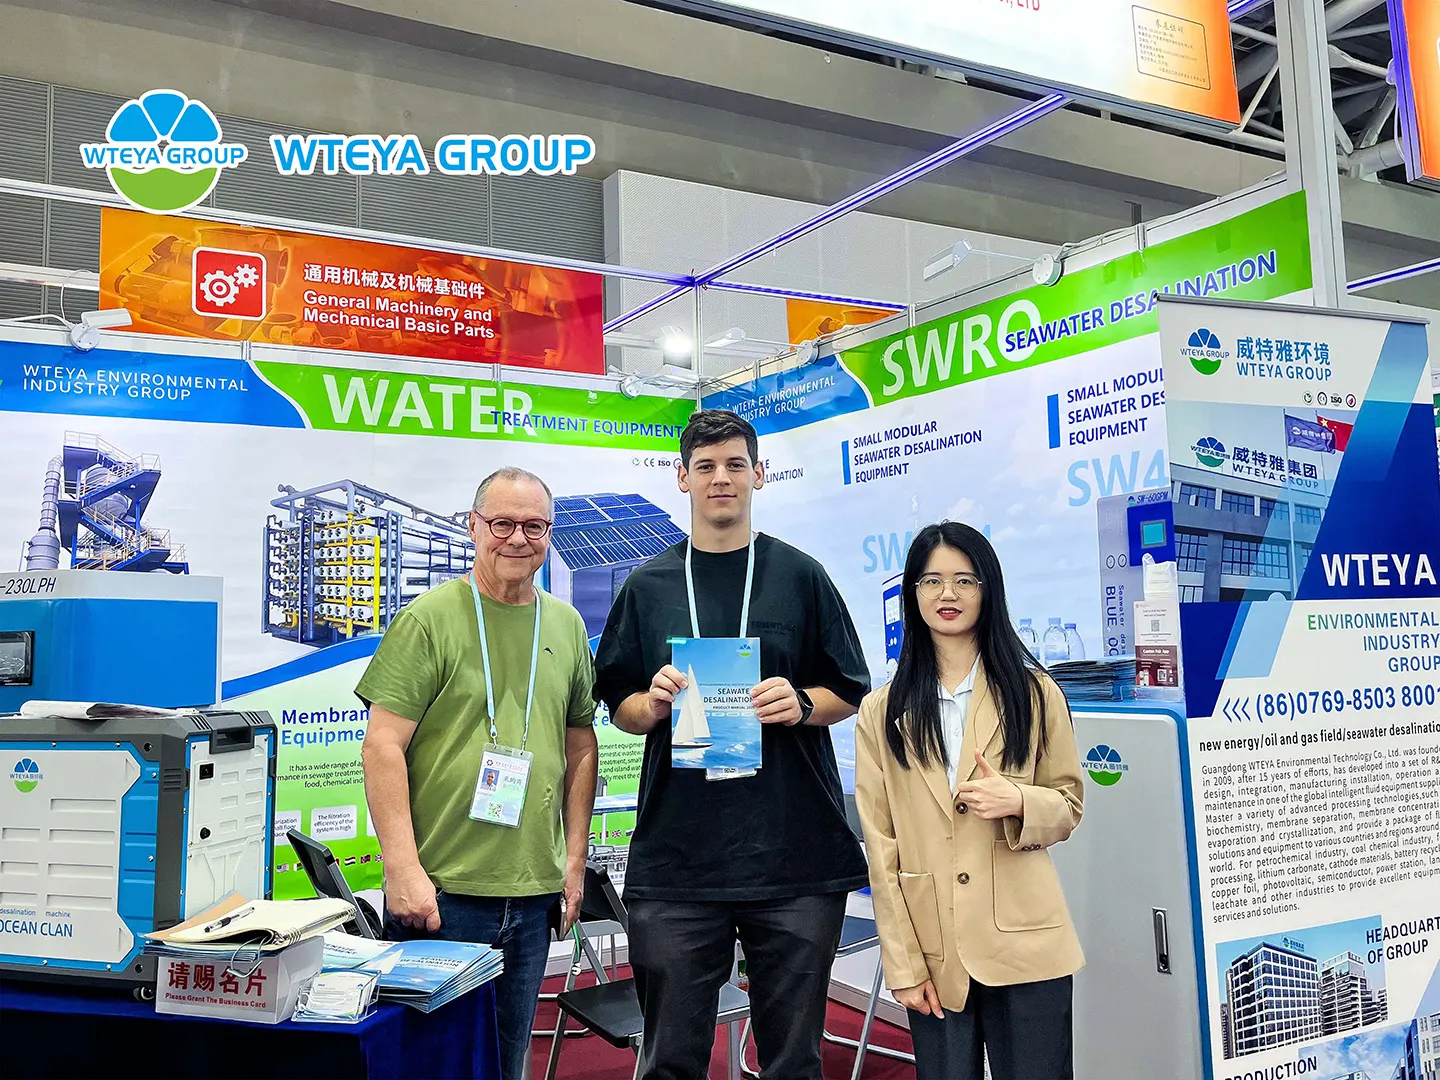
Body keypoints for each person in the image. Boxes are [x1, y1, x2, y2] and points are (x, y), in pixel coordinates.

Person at [594, 409, 870, 1080]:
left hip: (793, 857)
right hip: (679, 862)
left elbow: (850, 688)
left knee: (793, 1063)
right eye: (707, 466)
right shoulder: (646, 586)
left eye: (736, 464)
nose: (722, 478)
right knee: (670, 1061)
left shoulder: (801, 576)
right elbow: (620, 703)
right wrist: (652, 704)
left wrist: (802, 703)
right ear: (682, 478)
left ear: (759, 475)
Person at [356, 466, 599, 1080]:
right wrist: (401, 869)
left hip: (533, 894)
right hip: (442, 895)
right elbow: (382, 745)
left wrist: (573, 862)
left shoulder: (567, 626)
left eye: (534, 526)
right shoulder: (429, 620)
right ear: (473, 527)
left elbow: (580, 743)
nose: (518, 539)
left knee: (507, 1062)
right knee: (431, 1066)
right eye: (502, 524)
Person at [854, 521, 1084, 1080]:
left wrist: (1019, 800)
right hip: (934, 947)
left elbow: (1069, 806)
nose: (948, 594)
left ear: (988, 590)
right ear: (913, 594)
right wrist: (903, 965)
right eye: (931, 581)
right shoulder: (881, 711)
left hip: (1026, 941)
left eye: (964, 580)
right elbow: (881, 849)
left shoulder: (1035, 693)